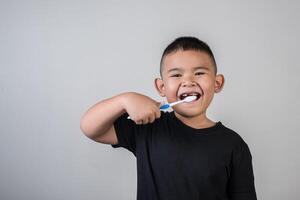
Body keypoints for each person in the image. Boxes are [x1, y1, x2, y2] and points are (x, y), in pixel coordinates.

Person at [80, 36, 257, 200]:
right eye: (177, 75)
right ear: (161, 87)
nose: (188, 81)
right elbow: (90, 127)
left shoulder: (234, 145)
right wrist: (124, 99)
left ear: (217, 83)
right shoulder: (147, 128)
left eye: (199, 73)